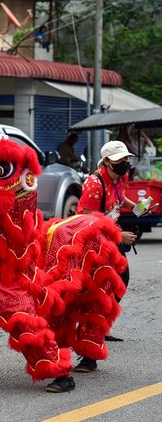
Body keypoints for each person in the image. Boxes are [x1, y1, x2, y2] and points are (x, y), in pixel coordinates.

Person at [75, 140, 137, 371]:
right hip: (94, 244)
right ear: (108, 162)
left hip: (110, 240)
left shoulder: (117, 179)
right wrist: (120, 236)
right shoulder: (94, 183)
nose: (126, 163)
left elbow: (120, 201)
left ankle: (99, 330)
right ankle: (88, 352)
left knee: (119, 282)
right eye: (121, 160)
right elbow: (90, 221)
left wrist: (138, 208)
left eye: (126, 159)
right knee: (96, 294)